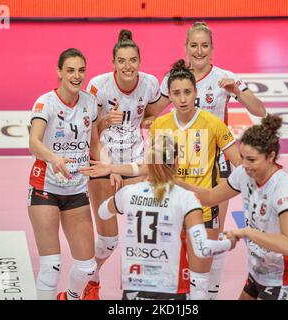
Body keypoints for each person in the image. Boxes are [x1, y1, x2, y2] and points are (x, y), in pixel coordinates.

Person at [81, 59, 242, 299]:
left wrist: (221, 193)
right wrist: (113, 168)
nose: (183, 98)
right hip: (170, 212)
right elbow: (151, 168)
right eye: (176, 93)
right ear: (171, 96)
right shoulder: (161, 126)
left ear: (196, 92)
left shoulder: (214, 124)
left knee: (200, 283)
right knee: (168, 282)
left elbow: (239, 164)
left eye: (187, 92)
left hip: (203, 211)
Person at [145, 21, 266, 299]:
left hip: (215, 162)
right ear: (186, 47)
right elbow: (151, 111)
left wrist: (236, 90)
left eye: (204, 45)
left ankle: (208, 293)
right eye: (194, 45)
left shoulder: (224, 77)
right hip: (177, 163)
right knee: (175, 229)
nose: (199, 50)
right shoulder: (175, 78)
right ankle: (176, 289)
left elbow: (260, 110)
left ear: (212, 48)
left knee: (212, 232)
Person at [176, 114, 288, 300]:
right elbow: (210, 197)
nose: (244, 165)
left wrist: (246, 233)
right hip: (257, 274)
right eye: (243, 158)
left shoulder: (284, 191)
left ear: (271, 156)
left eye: (252, 160)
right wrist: (172, 182)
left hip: (284, 281)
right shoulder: (243, 174)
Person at [98, 134, 236, 300]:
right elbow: (202, 249)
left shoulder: (128, 194)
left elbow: (102, 212)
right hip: (171, 286)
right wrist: (229, 242)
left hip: (135, 284)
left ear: (147, 163)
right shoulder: (186, 198)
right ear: (176, 162)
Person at [82, 29, 165, 299]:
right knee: (108, 241)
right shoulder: (98, 86)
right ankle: (91, 279)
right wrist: (107, 164)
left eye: (132, 60)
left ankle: (136, 290)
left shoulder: (150, 84)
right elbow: (90, 130)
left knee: (140, 236)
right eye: (121, 61)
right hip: (102, 161)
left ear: (139, 62)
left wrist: (151, 124)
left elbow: (150, 115)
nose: (127, 66)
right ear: (113, 63)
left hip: (134, 162)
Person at [28, 48, 102, 300]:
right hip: (44, 188)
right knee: (51, 267)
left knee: (87, 267)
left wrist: (110, 167)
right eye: (70, 70)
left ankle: (69, 297)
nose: (76, 75)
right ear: (59, 72)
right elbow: (34, 142)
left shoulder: (90, 103)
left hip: (76, 190)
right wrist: (54, 158)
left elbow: (94, 145)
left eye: (81, 70)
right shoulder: (45, 102)